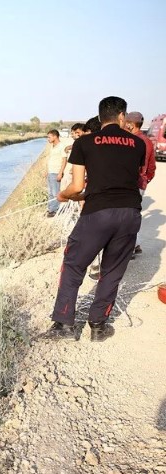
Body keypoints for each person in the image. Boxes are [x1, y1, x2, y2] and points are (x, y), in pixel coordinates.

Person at [46, 96, 145, 342]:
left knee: (73, 264)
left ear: (100, 118)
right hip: (130, 213)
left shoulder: (85, 143)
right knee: (112, 271)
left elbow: (77, 185)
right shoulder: (139, 144)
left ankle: (64, 325)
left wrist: (64, 195)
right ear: (122, 116)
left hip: (97, 213)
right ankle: (98, 326)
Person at [125, 111, 156, 256]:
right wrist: (146, 180)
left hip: (132, 183)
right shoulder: (147, 140)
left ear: (130, 125)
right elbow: (151, 167)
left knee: (128, 217)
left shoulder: (132, 141)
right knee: (134, 214)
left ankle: (130, 249)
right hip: (140, 183)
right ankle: (136, 244)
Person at [45, 129, 68, 217]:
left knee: (55, 193)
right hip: (51, 172)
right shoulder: (52, 146)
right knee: (50, 192)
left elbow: (64, 160)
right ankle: (51, 209)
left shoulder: (61, 146)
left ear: (55, 136)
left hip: (56, 172)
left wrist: (60, 173)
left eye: (49, 137)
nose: (48, 139)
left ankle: (55, 210)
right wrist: (47, 171)